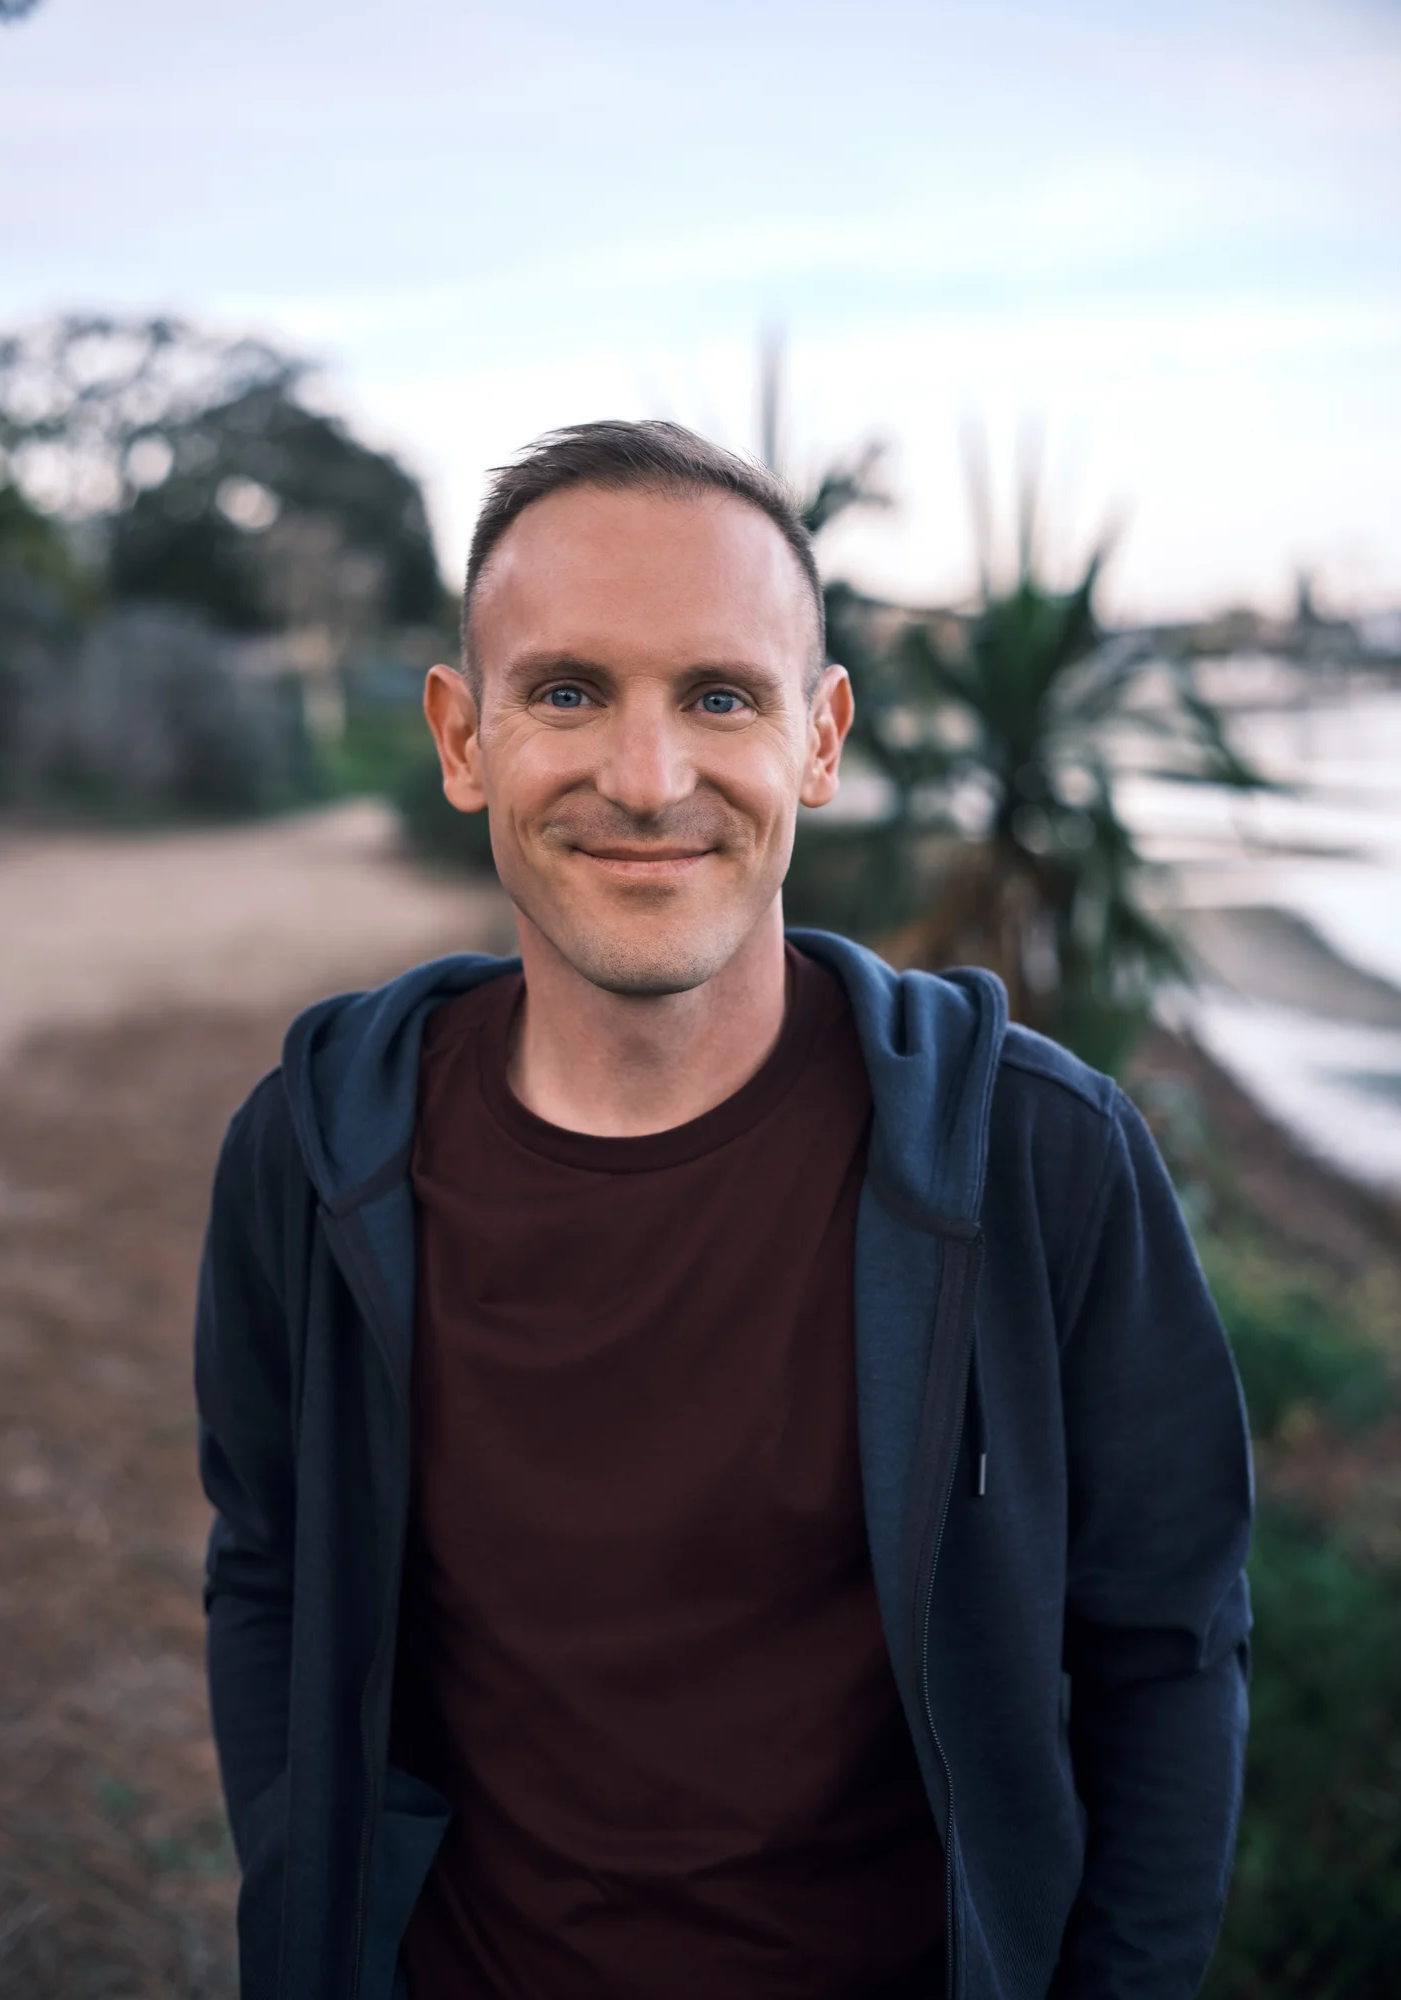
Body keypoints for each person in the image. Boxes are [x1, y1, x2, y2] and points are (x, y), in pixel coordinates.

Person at [195, 420, 1251, 2000]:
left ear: (818, 741)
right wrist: (309, 1896)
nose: (645, 779)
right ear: (462, 735)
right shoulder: (315, 1150)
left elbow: (1166, 1652)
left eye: (718, 696)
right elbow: (271, 1569)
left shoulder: (1042, 1160)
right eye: (566, 692)